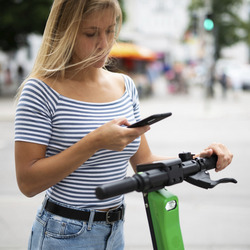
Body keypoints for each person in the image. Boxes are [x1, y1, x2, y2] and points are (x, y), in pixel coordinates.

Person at [14, 1, 233, 249]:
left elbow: (144, 161)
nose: (104, 43)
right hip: (63, 232)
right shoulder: (41, 90)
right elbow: (28, 182)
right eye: (91, 33)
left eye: (110, 30)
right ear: (65, 31)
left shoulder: (124, 86)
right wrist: (95, 141)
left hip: (114, 230)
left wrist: (198, 158)